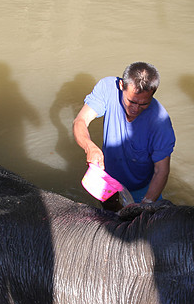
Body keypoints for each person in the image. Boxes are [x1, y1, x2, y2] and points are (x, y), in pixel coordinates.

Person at [73, 62, 175, 210]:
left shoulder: (160, 123)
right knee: (109, 215)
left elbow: (161, 171)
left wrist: (146, 204)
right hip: (108, 180)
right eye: (131, 101)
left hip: (142, 187)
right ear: (121, 85)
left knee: (145, 223)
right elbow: (80, 121)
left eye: (143, 104)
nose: (135, 109)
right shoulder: (107, 88)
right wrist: (90, 147)